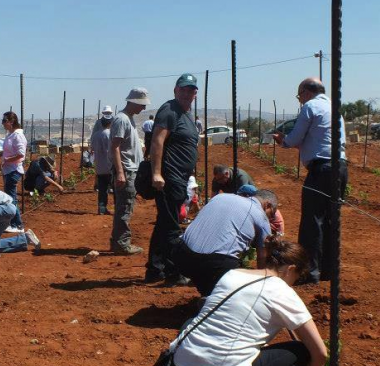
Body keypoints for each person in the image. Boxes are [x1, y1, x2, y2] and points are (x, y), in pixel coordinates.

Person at [170, 237, 327, 366]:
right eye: (297, 277)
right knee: (300, 352)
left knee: (193, 322)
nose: (294, 283)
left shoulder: (233, 274)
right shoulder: (282, 292)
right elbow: (320, 353)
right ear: (290, 269)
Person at [273, 77, 347, 284]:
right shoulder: (334, 108)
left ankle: (309, 273)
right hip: (340, 167)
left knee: (313, 222)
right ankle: (329, 271)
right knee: (332, 220)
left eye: (299, 95)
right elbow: (318, 140)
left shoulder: (310, 106)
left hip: (321, 169)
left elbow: (294, 138)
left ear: (306, 91)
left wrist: (283, 141)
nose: (300, 100)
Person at [145, 73, 201, 284]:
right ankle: (173, 272)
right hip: (169, 177)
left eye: (191, 90)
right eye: (183, 89)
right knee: (171, 227)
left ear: (195, 94)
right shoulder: (170, 110)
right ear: (175, 90)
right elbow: (157, 142)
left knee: (164, 224)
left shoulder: (185, 114)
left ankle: (154, 270)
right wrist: (157, 173)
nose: (187, 93)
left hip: (180, 177)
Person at [171, 189, 277, 296]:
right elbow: (262, 256)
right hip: (214, 266)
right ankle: (215, 297)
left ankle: (203, 287)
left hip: (181, 254)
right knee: (237, 290)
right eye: (271, 214)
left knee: (206, 270)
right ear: (267, 205)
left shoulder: (221, 197)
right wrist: (263, 284)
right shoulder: (261, 216)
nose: (270, 218)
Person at [109, 88, 149, 255]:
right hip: (126, 170)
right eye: (142, 105)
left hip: (130, 170)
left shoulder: (129, 119)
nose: (144, 109)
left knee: (125, 207)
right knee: (124, 208)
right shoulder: (121, 119)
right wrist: (120, 172)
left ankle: (119, 241)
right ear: (133, 102)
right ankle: (121, 244)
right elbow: (115, 147)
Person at [0, 111, 27, 234]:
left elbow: (21, 154)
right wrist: (2, 156)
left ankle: (18, 224)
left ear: (11, 122)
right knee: (10, 197)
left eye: (4, 121)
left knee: (11, 198)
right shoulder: (11, 135)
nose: (3, 123)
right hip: (8, 170)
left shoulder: (17, 136)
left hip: (13, 170)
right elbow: (11, 152)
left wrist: (6, 159)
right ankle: (13, 223)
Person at [90, 115, 113, 215]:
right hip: (109, 165)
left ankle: (101, 208)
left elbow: (93, 149)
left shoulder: (95, 135)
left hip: (99, 165)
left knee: (102, 189)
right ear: (110, 123)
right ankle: (119, 209)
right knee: (115, 188)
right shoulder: (110, 134)